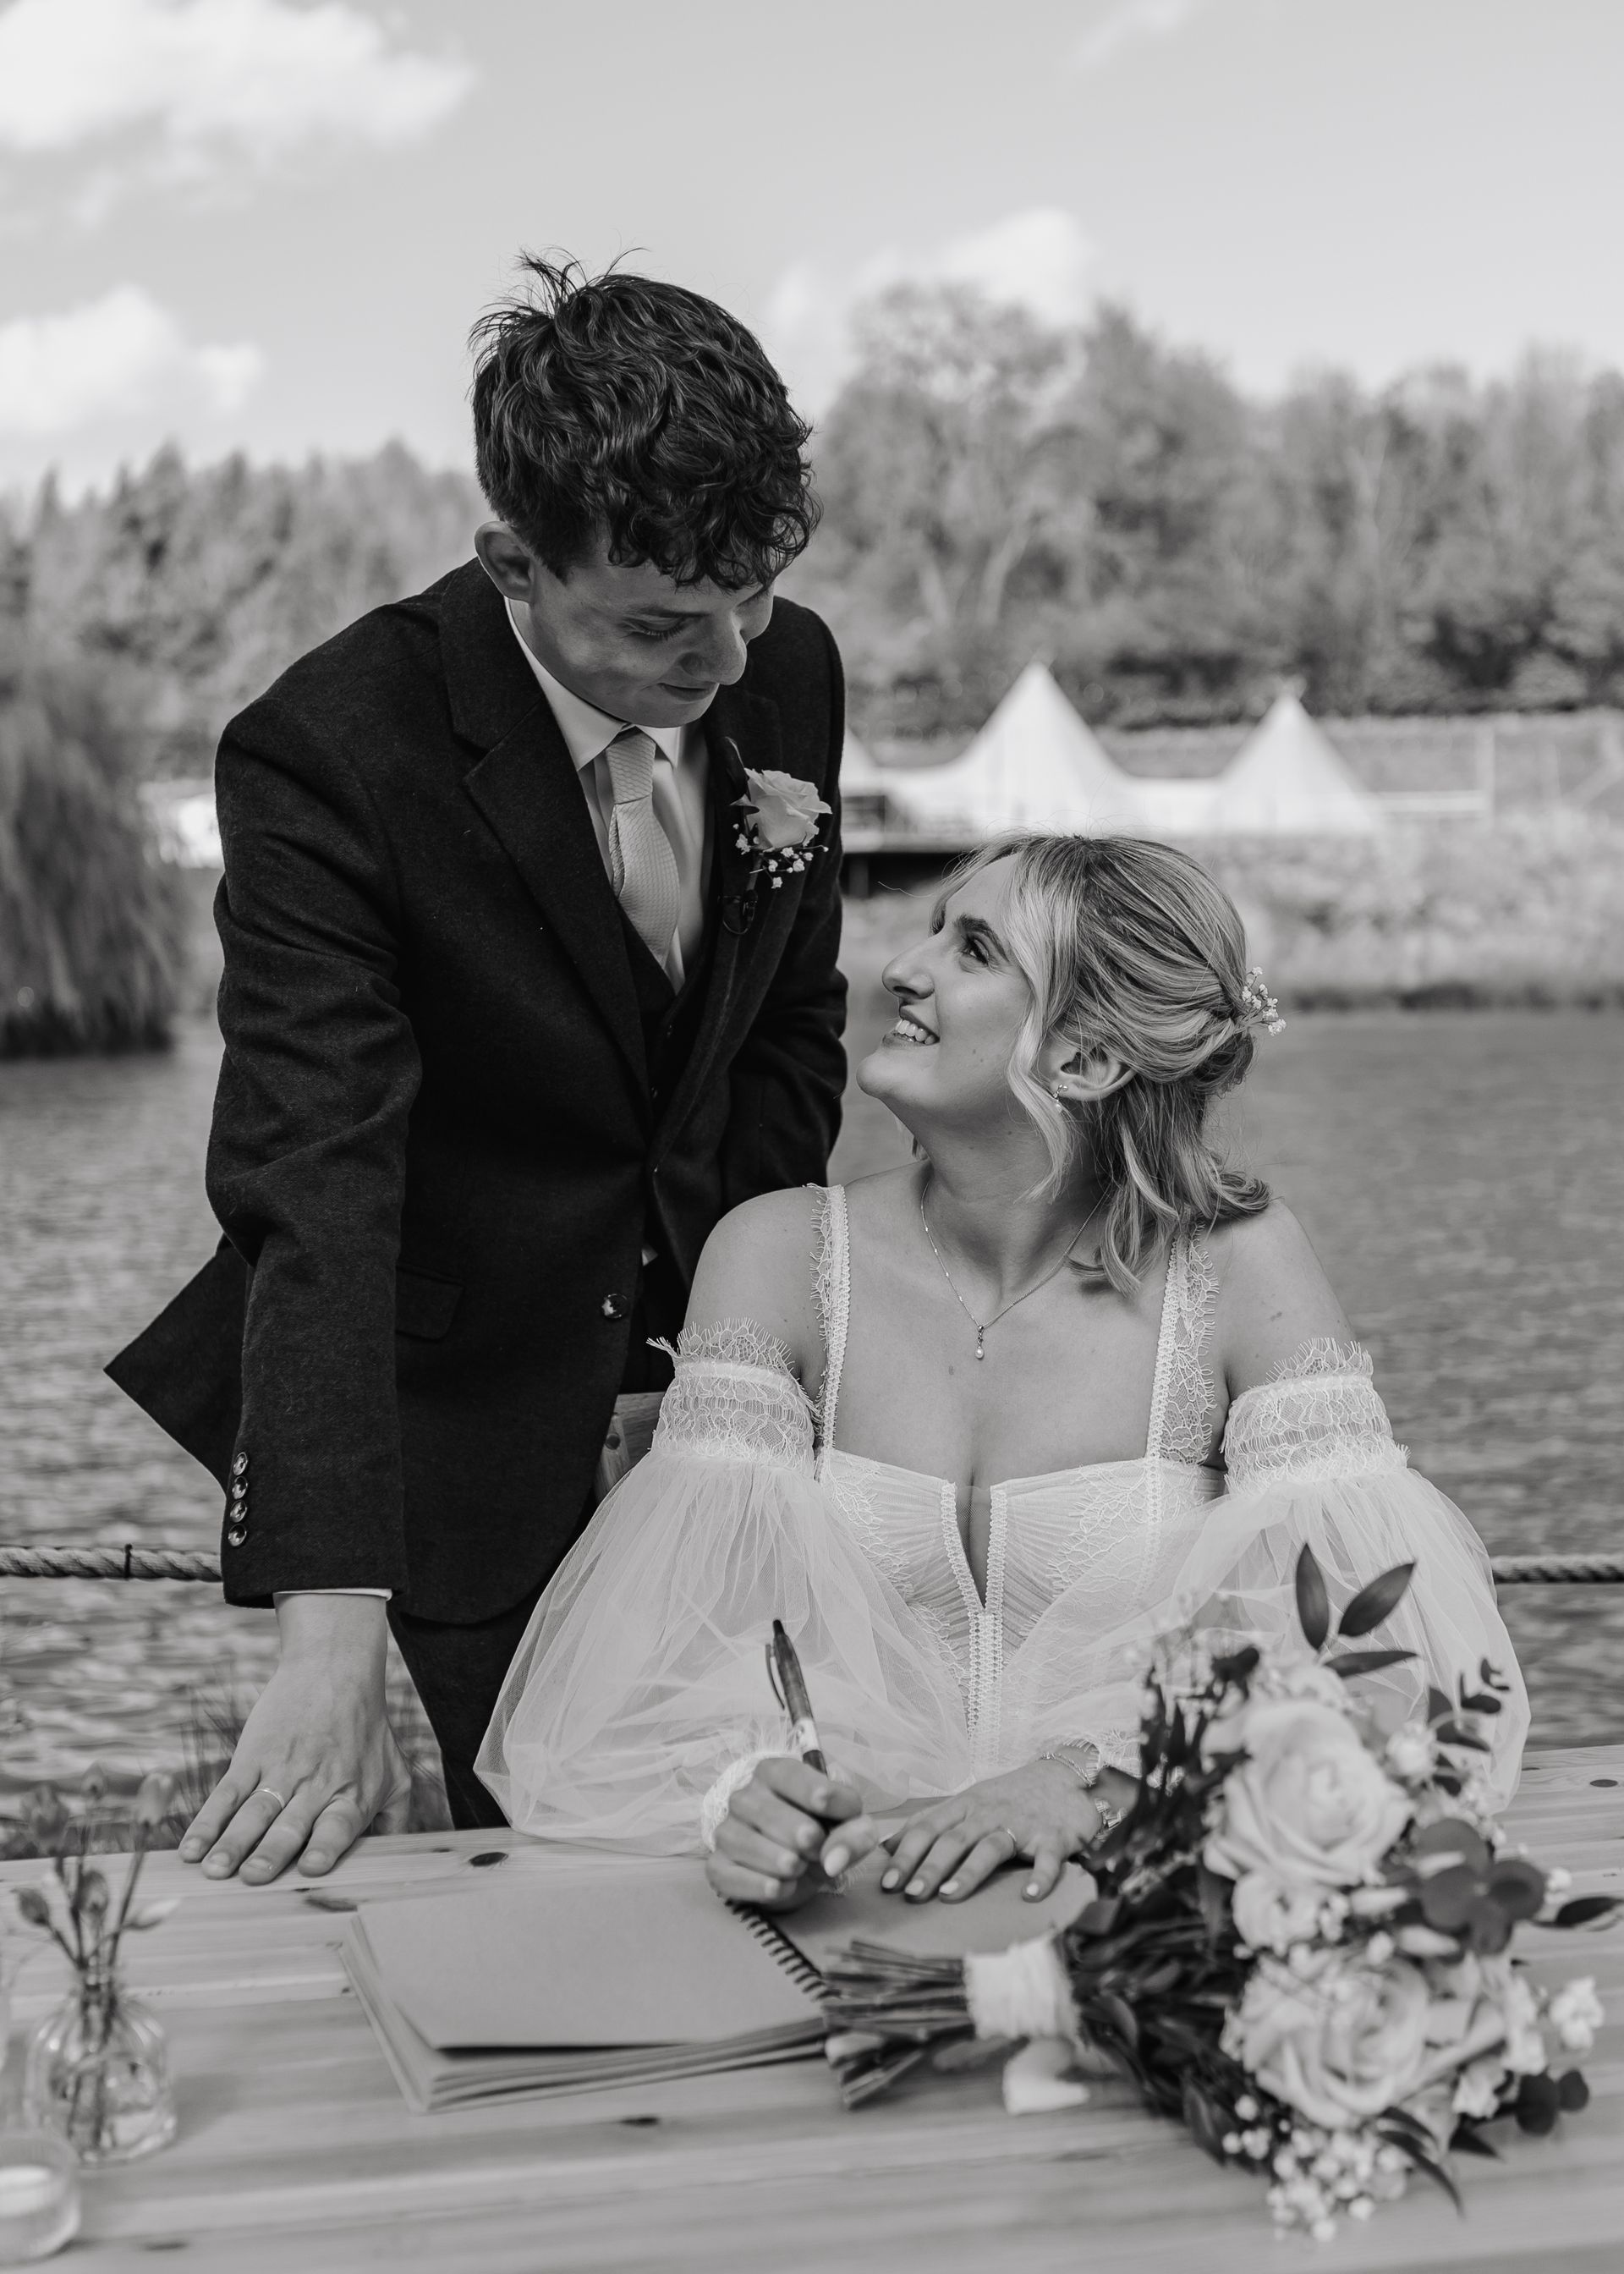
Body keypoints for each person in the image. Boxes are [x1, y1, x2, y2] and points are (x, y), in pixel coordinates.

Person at [107, 258, 848, 1880]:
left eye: (752, 597)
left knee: (805, 1844)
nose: (729, 662)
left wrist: (731, 1354)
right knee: (560, 1875)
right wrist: (328, 1629)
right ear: (515, 561)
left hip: (743, 1416)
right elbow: (318, 1177)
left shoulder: (790, 670)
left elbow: (793, 1032)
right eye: (659, 625)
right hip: (468, 1414)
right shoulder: (331, 749)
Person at [480, 833, 1528, 1909]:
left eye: (974, 949)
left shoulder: (1237, 1269)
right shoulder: (777, 1255)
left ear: (1085, 1059)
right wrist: (746, 1799)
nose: (902, 968)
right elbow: (667, 1669)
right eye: (934, 929)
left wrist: (1094, 1785)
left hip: (1131, 1908)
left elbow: (1390, 1683)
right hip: (856, 1904)